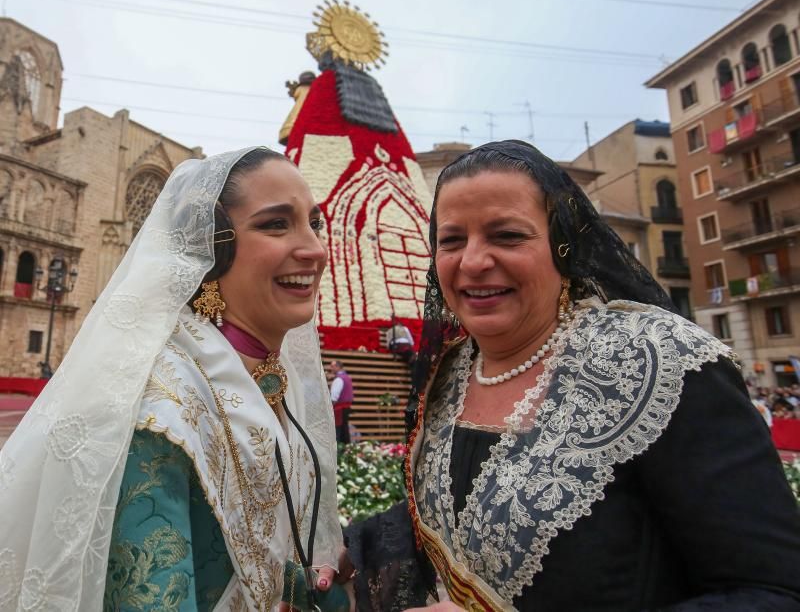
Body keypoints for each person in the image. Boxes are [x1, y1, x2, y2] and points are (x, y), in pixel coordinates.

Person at [344, 141, 800, 611]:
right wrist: (349, 552)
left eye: (506, 236)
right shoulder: (447, 373)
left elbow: (775, 593)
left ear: (563, 246)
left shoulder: (661, 362)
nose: (473, 262)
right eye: (452, 240)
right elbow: (461, 521)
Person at [0, 147, 347, 611]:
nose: (315, 250)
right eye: (276, 224)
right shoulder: (160, 411)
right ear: (213, 249)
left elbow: (252, 561)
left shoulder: (269, 379)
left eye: (314, 223)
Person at [328, 360, 354, 444]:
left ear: (338, 367)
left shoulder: (339, 379)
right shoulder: (347, 377)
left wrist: (328, 409)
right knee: (344, 430)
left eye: (332, 366)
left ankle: (339, 450)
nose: (330, 368)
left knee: (338, 431)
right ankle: (345, 449)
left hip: (339, 409)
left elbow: (334, 398)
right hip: (345, 408)